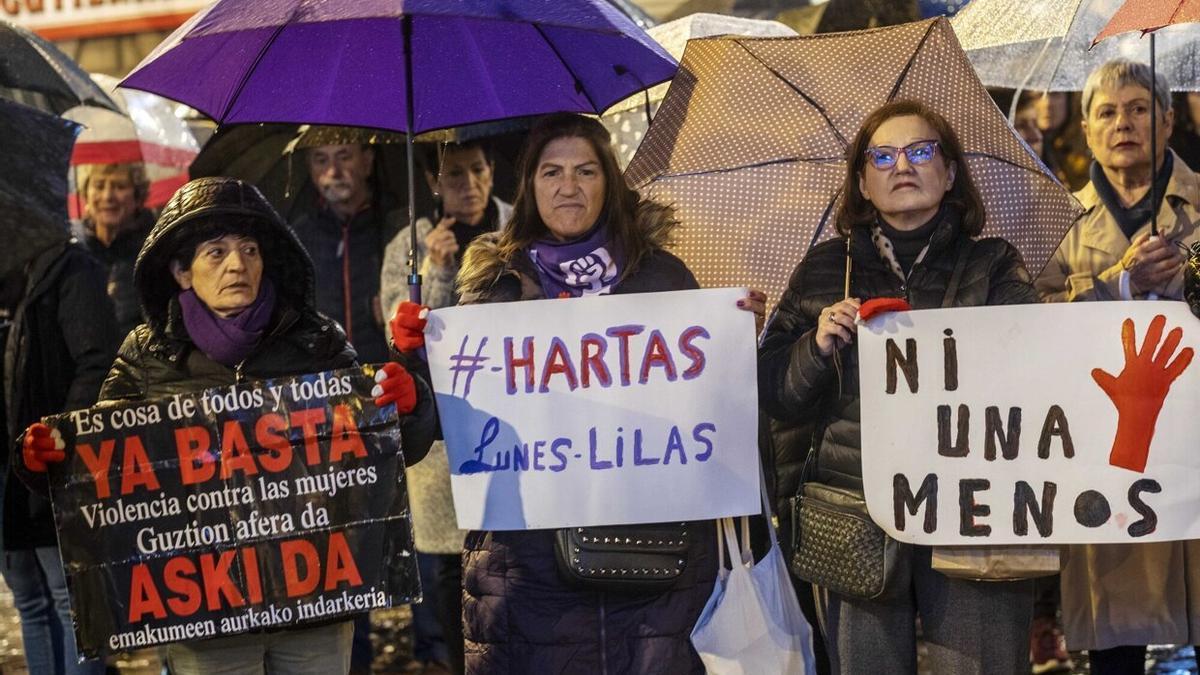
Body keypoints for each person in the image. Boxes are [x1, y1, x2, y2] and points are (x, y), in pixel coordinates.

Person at [389, 113, 764, 674]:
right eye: (552, 172)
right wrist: (413, 377)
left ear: (609, 182)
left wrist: (735, 341)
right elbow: (448, 422)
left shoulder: (662, 276)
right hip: (526, 568)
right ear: (530, 186)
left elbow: (715, 406)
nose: (569, 186)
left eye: (586, 171)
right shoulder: (495, 287)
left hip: (655, 562)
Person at [19, 176, 437, 674]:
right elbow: (102, 477)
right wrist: (46, 460)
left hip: (314, 608)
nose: (238, 264)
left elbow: (388, 450)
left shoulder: (317, 341)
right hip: (203, 615)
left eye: (250, 250)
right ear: (181, 272)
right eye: (215, 253)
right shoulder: (147, 356)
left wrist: (408, 402)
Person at [758, 100, 1039, 674]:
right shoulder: (822, 270)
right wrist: (815, 347)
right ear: (862, 181)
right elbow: (773, 391)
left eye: (920, 151)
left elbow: (1039, 371)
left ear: (951, 171)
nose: (901, 166)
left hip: (975, 508)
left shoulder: (993, 264)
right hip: (854, 512)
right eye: (881, 156)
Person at [1035, 59, 1200, 675]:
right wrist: (1119, 284)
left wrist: (1193, 274)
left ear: (1167, 120)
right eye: (1107, 112)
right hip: (1109, 453)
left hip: (1195, 442)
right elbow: (1032, 316)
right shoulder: (1057, 223)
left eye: (1137, 109)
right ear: (1085, 128)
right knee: (1116, 647)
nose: (1122, 123)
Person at [379, 138, 512, 675]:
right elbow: (397, 326)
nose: (469, 185)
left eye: (478, 170)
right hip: (437, 431)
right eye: (455, 175)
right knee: (441, 567)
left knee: (500, 561)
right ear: (434, 183)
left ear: (492, 170)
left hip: (503, 424)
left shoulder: (518, 231)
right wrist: (433, 271)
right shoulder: (407, 245)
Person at [2, 215, 118, 674]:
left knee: (72, 603)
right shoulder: (15, 280)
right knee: (30, 600)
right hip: (11, 475)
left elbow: (96, 362)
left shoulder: (72, 270)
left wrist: (61, 435)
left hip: (54, 467)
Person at [290, 128, 401, 364]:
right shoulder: (297, 235)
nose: (333, 171)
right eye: (321, 160)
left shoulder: (399, 225)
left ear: (367, 162)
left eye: (344, 157)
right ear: (310, 168)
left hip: (387, 372)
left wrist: (396, 302)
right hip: (324, 378)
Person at [76, 162, 156, 337]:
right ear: (86, 195)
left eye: (120, 186)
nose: (107, 196)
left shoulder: (156, 252)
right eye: (98, 186)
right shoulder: (73, 252)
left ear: (138, 197)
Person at [1037, 91, 1091, 191]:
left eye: (1055, 95)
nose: (1047, 103)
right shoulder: (1018, 148)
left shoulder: (1087, 148)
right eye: (1039, 95)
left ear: (1070, 101)